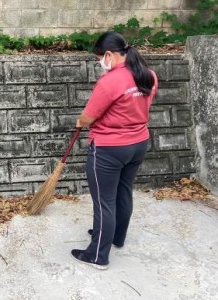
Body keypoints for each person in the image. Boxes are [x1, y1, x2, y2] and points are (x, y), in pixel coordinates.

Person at [71, 31, 158, 270]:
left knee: (104, 202)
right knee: (123, 192)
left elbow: (88, 116)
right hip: (138, 144)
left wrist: (80, 122)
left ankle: (98, 255)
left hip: (109, 149)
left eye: (99, 57)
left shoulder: (109, 82)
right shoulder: (148, 75)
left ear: (109, 54)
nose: (99, 62)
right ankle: (116, 237)